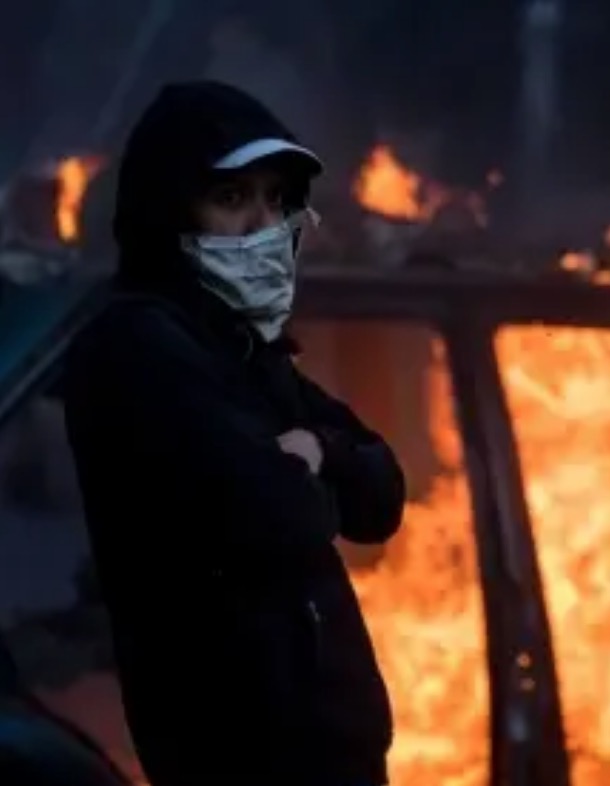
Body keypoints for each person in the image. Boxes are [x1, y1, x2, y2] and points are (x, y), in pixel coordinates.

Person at [63, 81, 406, 786]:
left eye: (275, 199)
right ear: (168, 212)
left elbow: (380, 497)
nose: (261, 223)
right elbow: (282, 513)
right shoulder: (139, 348)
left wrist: (316, 452)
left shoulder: (245, 353)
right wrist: (308, 473)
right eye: (230, 199)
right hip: (242, 761)